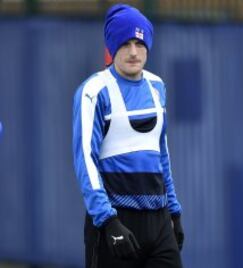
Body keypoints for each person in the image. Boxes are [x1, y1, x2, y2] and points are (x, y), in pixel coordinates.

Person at [72, 4, 184, 268]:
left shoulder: (157, 86)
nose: (134, 52)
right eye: (125, 44)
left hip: (158, 224)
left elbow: (161, 154)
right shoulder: (93, 91)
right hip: (116, 223)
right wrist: (108, 222)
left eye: (139, 43)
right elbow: (86, 163)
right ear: (112, 47)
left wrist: (174, 211)